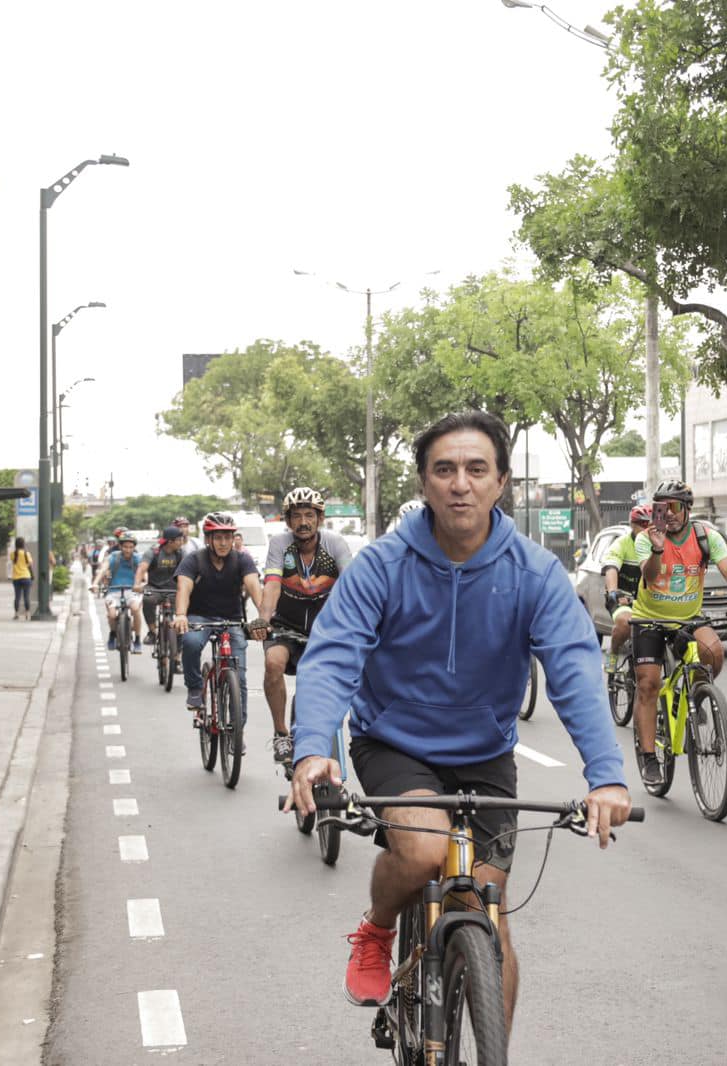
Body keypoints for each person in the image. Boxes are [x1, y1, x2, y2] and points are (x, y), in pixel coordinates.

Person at [286, 410, 631, 1024]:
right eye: (444, 470)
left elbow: (576, 672)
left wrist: (606, 775)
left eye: (477, 469)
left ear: (501, 483)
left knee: (487, 909)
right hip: (392, 741)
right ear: (424, 483)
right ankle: (377, 928)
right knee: (422, 851)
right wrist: (313, 748)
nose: (460, 483)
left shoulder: (535, 573)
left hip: (485, 752)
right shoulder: (381, 565)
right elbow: (333, 656)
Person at [629, 481, 727, 787]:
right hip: (649, 619)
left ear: (687, 510)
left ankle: (698, 696)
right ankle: (649, 756)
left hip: (688, 617)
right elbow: (650, 575)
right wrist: (659, 548)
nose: (668, 515)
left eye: (674, 507)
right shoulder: (647, 538)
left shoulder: (705, 536)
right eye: (662, 508)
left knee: (713, 653)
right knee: (648, 683)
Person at [258, 487, 355, 766]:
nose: (303, 521)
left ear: (320, 518)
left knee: (317, 684)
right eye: (297, 516)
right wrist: (263, 620)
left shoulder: (335, 544)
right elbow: (273, 584)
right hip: (285, 625)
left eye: (309, 515)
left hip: (325, 630)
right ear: (288, 521)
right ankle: (281, 734)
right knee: (273, 662)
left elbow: (351, 586)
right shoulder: (280, 544)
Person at [173, 512, 268, 714]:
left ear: (234, 538)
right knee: (190, 642)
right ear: (209, 539)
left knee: (239, 677)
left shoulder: (243, 559)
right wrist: (181, 614)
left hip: (232, 620)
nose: (224, 543)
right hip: (199, 617)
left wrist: (264, 617)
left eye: (228, 537)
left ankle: (237, 734)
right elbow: (184, 588)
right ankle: (195, 687)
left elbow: (254, 587)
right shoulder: (194, 560)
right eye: (218, 537)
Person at [600, 503, 652, 671]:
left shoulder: (658, 544)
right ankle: (613, 652)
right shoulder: (621, 544)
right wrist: (613, 591)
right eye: (642, 524)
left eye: (650, 524)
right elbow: (611, 568)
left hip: (649, 600)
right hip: (623, 598)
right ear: (632, 525)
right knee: (624, 623)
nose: (647, 529)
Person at [93, 533, 145, 652]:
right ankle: (113, 633)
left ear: (134, 547)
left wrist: (144, 583)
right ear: (120, 547)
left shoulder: (137, 558)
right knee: (111, 615)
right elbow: (103, 570)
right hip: (114, 590)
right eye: (125, 547)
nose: (128, 549)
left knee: (136, 609)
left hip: (132, 591)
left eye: (131, 547)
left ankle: (137, 639)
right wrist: (95, 583)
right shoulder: (113, 557)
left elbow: (143, 572)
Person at [136, 527, 187, 646]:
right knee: (148, 599)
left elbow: (188, 571)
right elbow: (142, 568)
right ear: (170, 542)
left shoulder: (181, 553)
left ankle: (177, 652)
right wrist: (137, 584)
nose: (182, 542)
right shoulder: (153, 552)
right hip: (155, 588)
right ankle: (152, 631)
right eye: (179, 540)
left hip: (174, 589)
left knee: (184, 611)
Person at [10, 537, 35, 620]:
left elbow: (13, 561)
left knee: (17, 596)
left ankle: (16, 614)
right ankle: (27, 614)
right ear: (23, 544)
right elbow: (30, 564)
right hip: (26, 577)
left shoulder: (13, 554)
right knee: (26, 596)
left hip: (16, 577)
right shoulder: (26, 553)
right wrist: (32, 575)